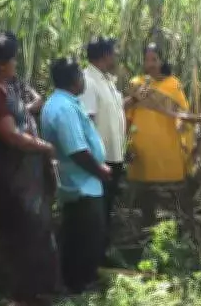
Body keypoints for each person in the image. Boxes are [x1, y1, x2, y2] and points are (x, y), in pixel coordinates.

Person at [0, 31, 59, 305]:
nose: (15, 64)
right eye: (12, 59)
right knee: (20, 232)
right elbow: (10, 135)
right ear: (0, 64)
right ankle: (21, 295)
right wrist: (44, 146)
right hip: (11, 176)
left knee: (34, 229)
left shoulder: (6, 86)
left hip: (25, 175)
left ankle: (35, 291)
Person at [41, 57, 109, 293]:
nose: (83, 80)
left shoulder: (63, 102)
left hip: (81, 183)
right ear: (74, 80)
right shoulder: (64, 108)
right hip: (80, 185)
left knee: (79, 234)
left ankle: (77, 280)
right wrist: (100, 170)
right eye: (80, 76)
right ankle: (79, 283)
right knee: (84, 236)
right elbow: (76, 150)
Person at [125, 43, 200, 233]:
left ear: (162, 61)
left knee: (174, 198)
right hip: (143, 151)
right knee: (145, 199)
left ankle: (178, 236)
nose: (150, 64)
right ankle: (145, 235)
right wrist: (126, 145)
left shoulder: (173, 85)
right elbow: (127, 118)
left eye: (154, 59)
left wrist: (187, 136)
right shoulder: (136, 84)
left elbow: (183, 116)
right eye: (147, 59)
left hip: (168, 152)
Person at [79, 36, 126, 250]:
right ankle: (94, 256)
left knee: (106, 208)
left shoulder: (106, 80)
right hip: (101, 159)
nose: (116, 56)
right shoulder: (88, 82)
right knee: (97, 210)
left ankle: (102, 251)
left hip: (114, 155)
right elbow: (87, 122)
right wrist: (94, 161)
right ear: (105, 55)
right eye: (113, 52)